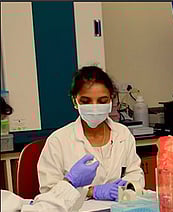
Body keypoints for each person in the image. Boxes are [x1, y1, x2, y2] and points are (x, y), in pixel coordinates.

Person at [38, 66, 144, 201]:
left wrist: (128, 186)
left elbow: (136, 175)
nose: (94, 107)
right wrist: (90, 191)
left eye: (102, 101)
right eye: (86, 101)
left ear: (111, 100)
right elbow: (49, 194)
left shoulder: (122, 134)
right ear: (74, 101)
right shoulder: (58, 141)